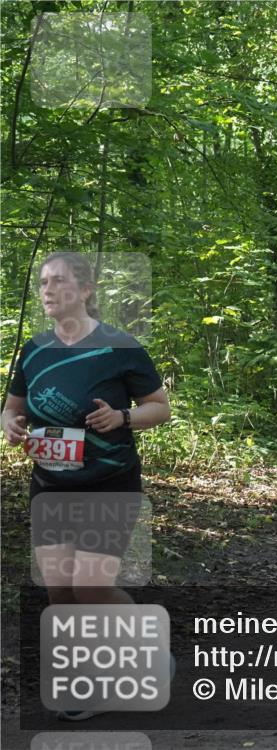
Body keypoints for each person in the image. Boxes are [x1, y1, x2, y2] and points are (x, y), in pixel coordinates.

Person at [2, 252, 171, 719]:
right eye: (42, 282)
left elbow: (160, 407)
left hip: (110, 483)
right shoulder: (35, 349)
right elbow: (11, 407)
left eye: (58, 281)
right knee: (59, 592)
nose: (48, 290)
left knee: (92, 588)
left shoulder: (120, 346)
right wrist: (11, 425)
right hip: (50, 486)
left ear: (86, 289)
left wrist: (123, 417)